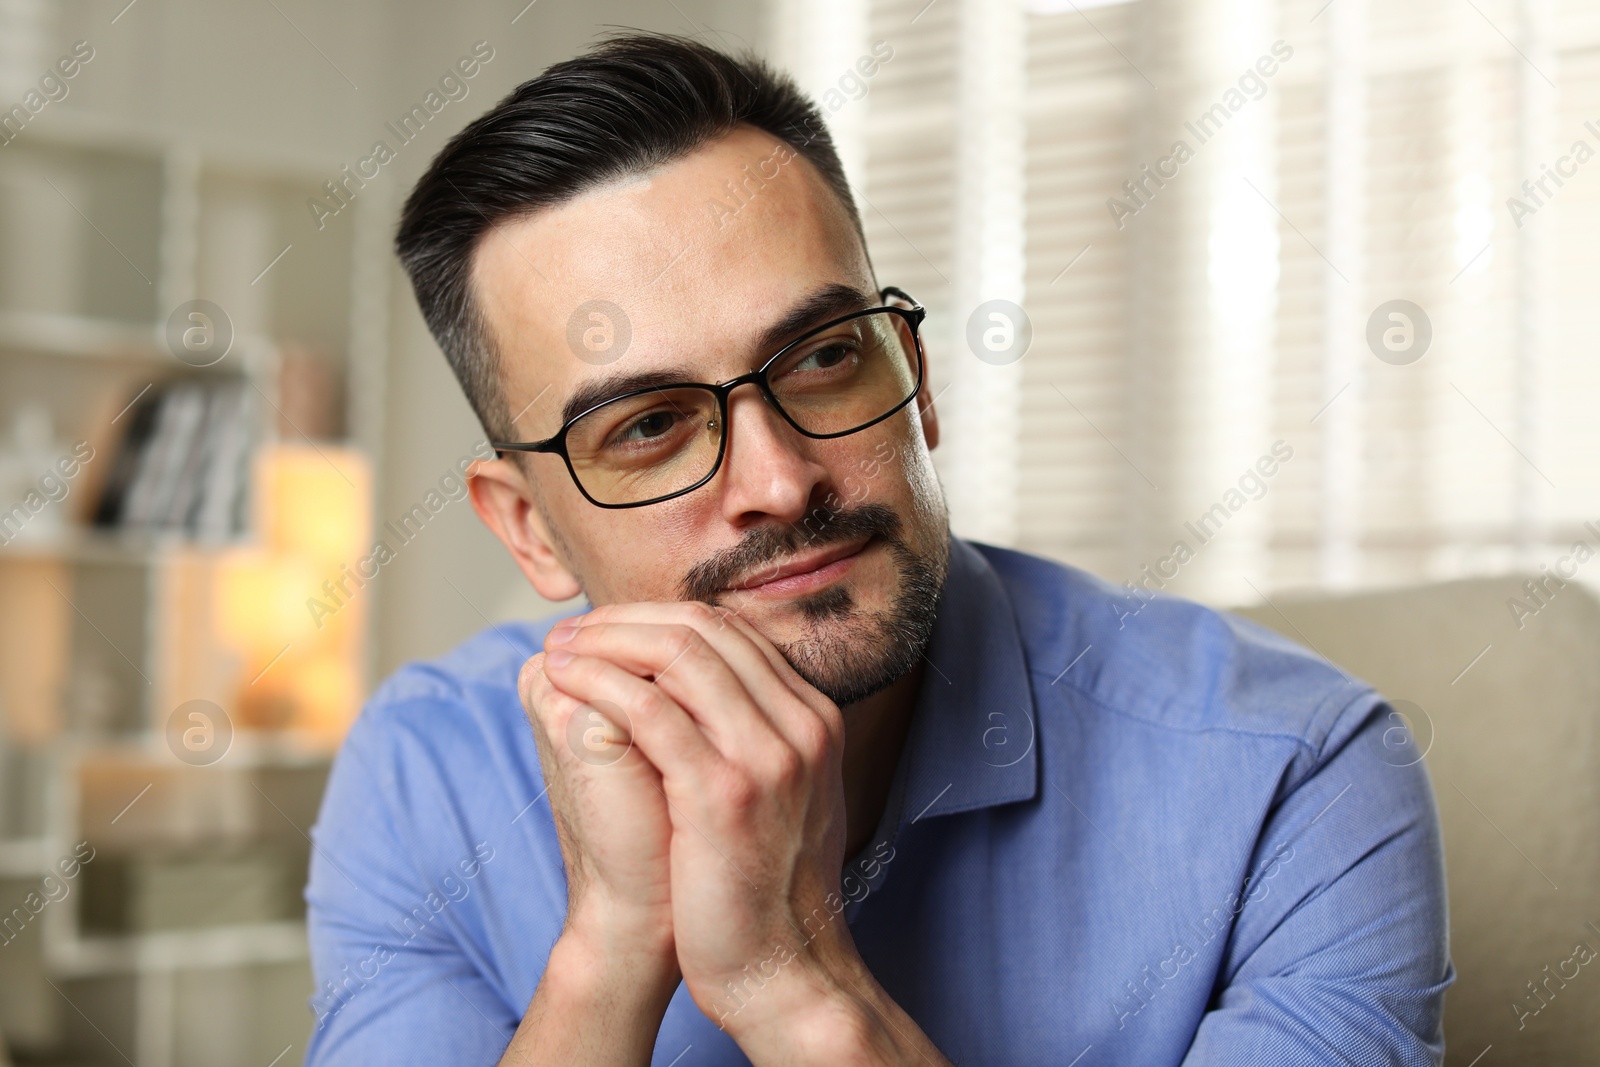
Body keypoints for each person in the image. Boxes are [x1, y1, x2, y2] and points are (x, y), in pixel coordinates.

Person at [304, 33, 1452, 1066]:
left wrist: (792, 984)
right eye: (648, 426)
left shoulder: (1297, 775)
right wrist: (608, 950)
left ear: (917, 379)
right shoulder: (424, 770)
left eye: (820, 359)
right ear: (527, 527)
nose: (777, 480)